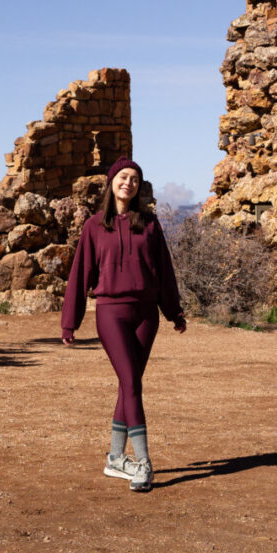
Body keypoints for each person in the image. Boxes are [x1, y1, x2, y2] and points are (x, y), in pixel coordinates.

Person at [60, 158, 186, 492]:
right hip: (111, 313)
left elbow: (164, 271)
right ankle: (144, 463)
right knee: (131, 381)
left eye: (134, 179)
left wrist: (174, 312)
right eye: (123, 177)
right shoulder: (93, 227)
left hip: (147, 315)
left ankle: (116, 457)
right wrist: (69, 322)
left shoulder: (150, 224)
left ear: (138, 187)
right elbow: (79, 275)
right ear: (112, 182)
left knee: (128, 384)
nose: (128, 183)